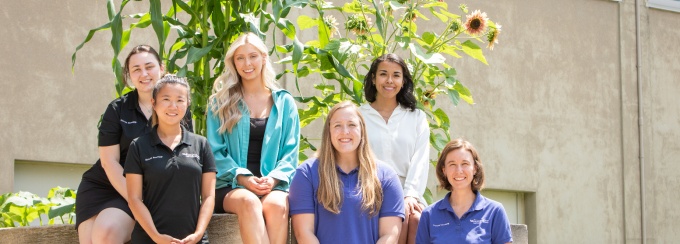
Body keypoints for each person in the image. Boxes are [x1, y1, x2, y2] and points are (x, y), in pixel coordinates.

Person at [75, 45, 193, 244]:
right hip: (107, 185)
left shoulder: (177, 107)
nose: (144, 74)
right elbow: (109, 162)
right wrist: (136, 199)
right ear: (129, 75)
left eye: (149, 67)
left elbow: (183, 156)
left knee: (106, 232)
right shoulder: (117, 109)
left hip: (149, 190)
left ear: (161, 68)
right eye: (136, 69)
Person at [206, 32, 300, 244]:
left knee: (277, 205)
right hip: (231, 186)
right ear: (233, 63)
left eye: (253, 56)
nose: (247, 63)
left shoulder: (285, 103)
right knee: (249, 201)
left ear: (264, 58)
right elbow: (215, 151)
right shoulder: (220, 103)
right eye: (240, 58)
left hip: (272, 185)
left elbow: (290, 152)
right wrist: (243, 178)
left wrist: (274, 178)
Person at [289, 101, 405, 244]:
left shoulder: (386, 176)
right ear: (328, 131)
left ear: (362, 129)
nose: (345, 131)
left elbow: (389, 236)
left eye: (352, 125)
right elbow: (303, 233)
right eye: (337, 125)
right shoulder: (307, 174)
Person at [124, 75, 216, 244]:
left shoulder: (201, 144)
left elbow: (209, 196)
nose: (173, 106)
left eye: (180, 100)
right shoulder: (138, 146)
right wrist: (156, 237)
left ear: (187, 103)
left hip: (193, 240)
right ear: (154, 103)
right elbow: (134, 199)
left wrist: (198, 234)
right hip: (149, 239)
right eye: (166, 99)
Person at [359, 53, 430, 244]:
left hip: (409, 191)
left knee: (415, 218)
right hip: (369, 190)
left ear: (403, 80)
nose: (389, 80)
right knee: (397, 218)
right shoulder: (359, 116)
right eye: (383, 74)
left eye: (396, 75)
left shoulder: (416, 118)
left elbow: (420, 160)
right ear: (373, 79)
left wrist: (410, 195)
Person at [416, 139, 513, 244]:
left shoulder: (495, 211)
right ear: (444, 170)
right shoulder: (429, 215)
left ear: (475, 168)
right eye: (452, 164)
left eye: (465, 163)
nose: (459, 171)